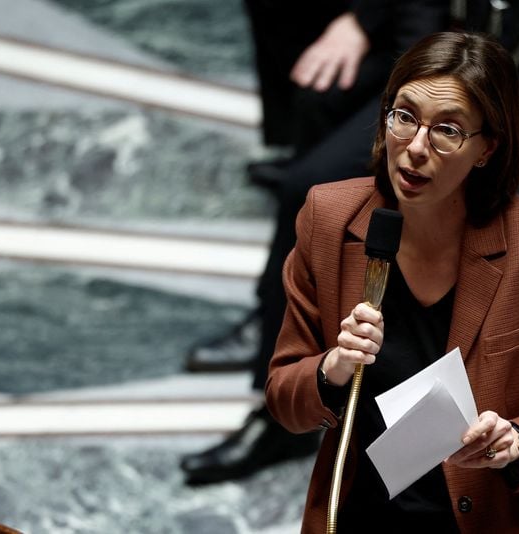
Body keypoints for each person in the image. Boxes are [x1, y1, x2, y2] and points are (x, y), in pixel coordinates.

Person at [265, 31, 519, 532]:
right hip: (362, 513)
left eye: (447, 130)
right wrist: (333, 368)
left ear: (487, 148)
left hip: (490, 517)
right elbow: (283, 395)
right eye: (404, 116)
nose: (414, 147)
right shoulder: (329, 218)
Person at [180, 0, 451, 484]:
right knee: (321, 97)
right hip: (438, 61)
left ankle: (371, 419)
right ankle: (286, 334)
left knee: (313, 189)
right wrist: (365, 22)